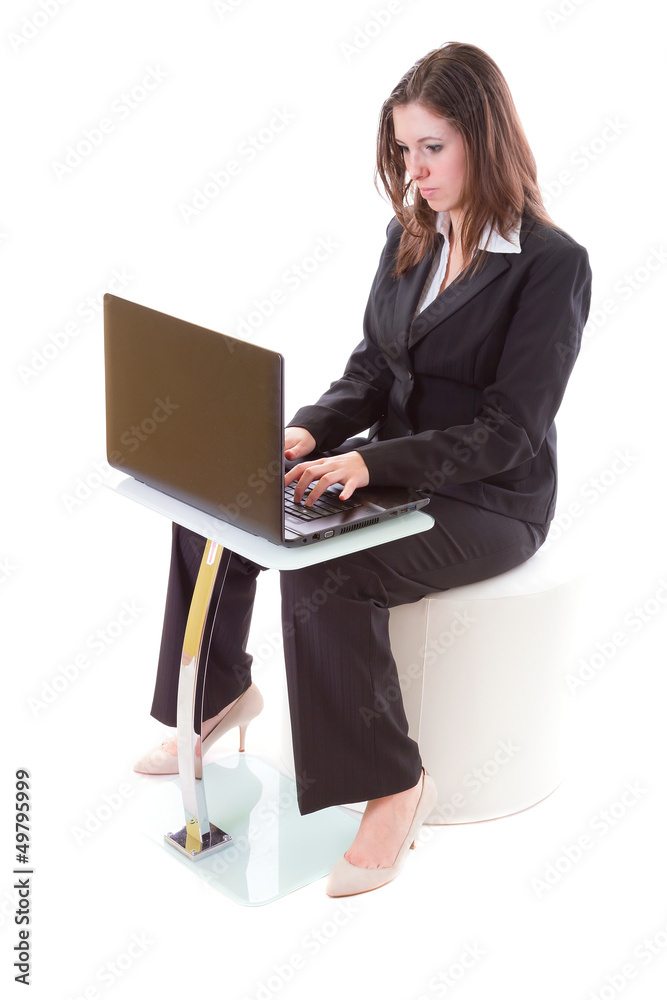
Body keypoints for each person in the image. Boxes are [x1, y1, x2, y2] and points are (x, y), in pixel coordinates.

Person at [134, 41, 592, 897]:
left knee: (328, 573)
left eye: (432, 147)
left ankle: (394, 783)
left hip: (489, 497)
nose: (414, 170)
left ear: (484, 138)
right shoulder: (410, 234)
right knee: (217, 500)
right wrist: (308, 432)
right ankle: (216, 694)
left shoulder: (551, 265)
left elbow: (511, 431)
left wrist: (367, 462)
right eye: (403, 149)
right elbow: (374, 369)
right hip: (385, 469)